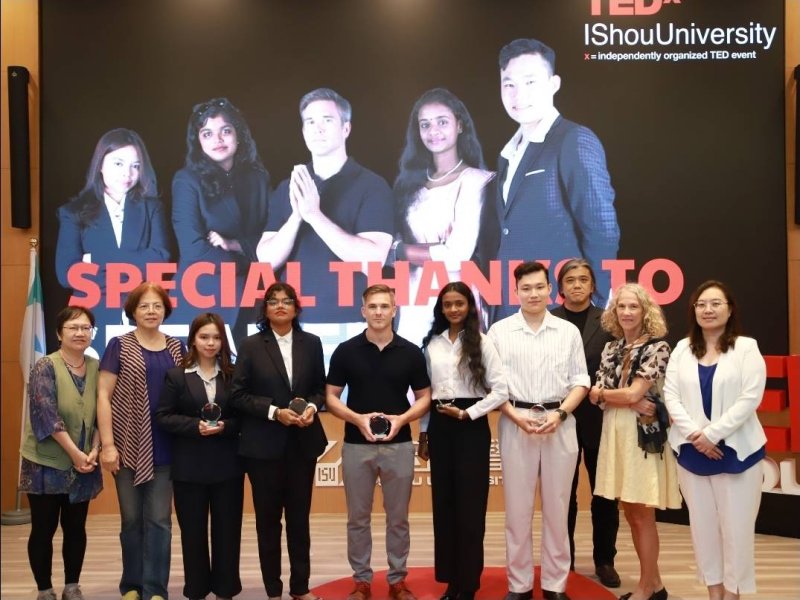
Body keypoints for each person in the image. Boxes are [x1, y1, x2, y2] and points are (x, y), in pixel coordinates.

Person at [487, 38, 619, 322]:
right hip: (510, 311)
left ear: (553, 84)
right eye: (509, 84)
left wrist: (592, 308)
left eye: (530, 82)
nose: (518, 94)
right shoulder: (508, 153)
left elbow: (603, 230)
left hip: (560, 312)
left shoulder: (574, 140)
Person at [487, 261, 590, 600]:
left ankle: (554, 585)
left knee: (558, 509)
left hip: (560, 422)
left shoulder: (567, 332)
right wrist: (515, 416)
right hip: (516, 422)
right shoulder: (500, 332)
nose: (533, 293)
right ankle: (518, 585)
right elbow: (492, 386)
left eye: (539, 287)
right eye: (526, 288)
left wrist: (560, 414)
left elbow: (581, 382)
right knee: (517, 511)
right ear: (516, 291)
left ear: (549, 289)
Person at [256, 88, 393, 339]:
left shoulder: (372, 185)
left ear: (346, 128)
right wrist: (297, 216)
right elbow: (266, 259)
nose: (317, 129)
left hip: (353, 325)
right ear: (303, 131)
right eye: (310, 122)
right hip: (293, 326)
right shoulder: (288, 187)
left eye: (327, 120)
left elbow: (373, 260)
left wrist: (315, 215)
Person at [325, 284, 432, 600]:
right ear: (363, 310)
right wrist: (357, 419)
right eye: (372, 306)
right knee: (357, 519)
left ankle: (397, 580)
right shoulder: (346, 350)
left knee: (398, 519)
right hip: (356, 446)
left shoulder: (410, 352)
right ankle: (362, 581)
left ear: (394, 310)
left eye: (385, 306)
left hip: (399, 446)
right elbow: (330, 397)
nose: (379, 312)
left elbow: (425, 397)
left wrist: (402, 419)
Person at [664, 281, 767, 600]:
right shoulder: (682, 349)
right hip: (691, 452)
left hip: (738, 452)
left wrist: (712, 434)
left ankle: (733, 595)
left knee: (737, 531)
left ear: (730, 309)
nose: (708, 310)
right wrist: (697, 436)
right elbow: (671, 395)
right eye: (701, 304)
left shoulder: (746, 348)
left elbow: (750, 398)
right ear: (694, 310)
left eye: (715, 303)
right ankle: (714, 593)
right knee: (703, 529)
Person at [230, 283, 327, 600]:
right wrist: (275, 412)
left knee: (299, 522)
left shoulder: (311, 343)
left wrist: (311, 408)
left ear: (296, 308)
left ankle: (300, 587)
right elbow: (238, 395)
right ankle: (273, 590)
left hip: (302, 444)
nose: (281, 306)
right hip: (263, 447)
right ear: (265, 309)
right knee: (268, 523)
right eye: (274, 301)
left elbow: (319, 389)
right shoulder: (250, 345)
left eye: (287, 301)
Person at [588, 283, 681, 600]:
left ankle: (645, 588)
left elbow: (630, 393)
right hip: (615, 431)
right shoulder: (611, 348)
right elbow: (596, 396)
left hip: (642, 436)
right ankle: (656, 585)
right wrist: (617, 397)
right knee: (630, 512)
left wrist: (612, 395)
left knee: (642, 515)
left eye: (633, 306)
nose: (627, 312)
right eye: (621, 307)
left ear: (645, 311)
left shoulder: (658, 347)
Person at [418, 282, 508, 600]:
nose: (453, 309)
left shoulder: (482, 342)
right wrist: (424, 432)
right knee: (444, 505)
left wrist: (469, 414)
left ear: (469, 306)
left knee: (470, 507)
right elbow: (426, 395)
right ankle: (451, 581)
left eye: (459, 303)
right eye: (448, 304)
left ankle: (468, 584)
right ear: (440, 308)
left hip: (471, 426)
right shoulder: (432, 343)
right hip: (440, 426)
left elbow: (501, 390)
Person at [97, 282, 186, 600]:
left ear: (166, 311)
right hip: (126, 446)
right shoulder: (119, 345)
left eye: (157, 306)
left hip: (166, 446)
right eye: (144, 306)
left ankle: (156, 589)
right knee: (132, 521)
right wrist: (108, 445)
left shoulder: (176, 347)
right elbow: (103, 395)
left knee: (160, 522)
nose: (151, 311)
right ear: (133, 311)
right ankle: (132, 586)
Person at [390, 88, 496, 343]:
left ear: (459, 125)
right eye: (425, 124)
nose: (433, 131)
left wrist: (402, 251)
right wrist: (433, 248)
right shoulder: (408, 185)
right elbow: (390, 243)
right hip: (413, 298)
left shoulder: (476, 181)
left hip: (456, 295)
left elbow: (457, 253)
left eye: (442, 122)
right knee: (412, 363)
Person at [55, 128, 170, 354]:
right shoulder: (73, 211)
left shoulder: (152, 207)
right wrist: (134, 267)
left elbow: (161, 258)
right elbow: (67, 273)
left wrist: (94, 263)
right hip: (92, 316)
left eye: (135, 166)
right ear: (100, 164)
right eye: (118, 163)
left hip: (140, 314)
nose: (127, 173)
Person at [155, 313, 244, 600]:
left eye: (216, 337)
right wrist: (195, 427)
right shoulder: (176, 375)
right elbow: (164, 417)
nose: (210, 343)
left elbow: (245, 418)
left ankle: (225, 590)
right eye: (204, 337)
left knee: (227, 533)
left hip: (228, 467)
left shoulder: (233, 375)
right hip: (189, 469)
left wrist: (225, 426)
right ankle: (196, 590)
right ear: (193, 339)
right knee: (192, 534)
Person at [19, 306, 103, 600]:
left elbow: (100, 414)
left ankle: (72, 586)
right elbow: (47, 417)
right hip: (46, 464)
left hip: (85, 462)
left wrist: (94, 450)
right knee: (44, 528)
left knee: (76, 527)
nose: (80, 333)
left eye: (85, 328)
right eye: (73, 327)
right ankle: (44, 589)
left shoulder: (96, 367)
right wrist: (76, 454)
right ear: (59, 333)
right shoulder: (45, 366)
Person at [172, 97, 270, 342]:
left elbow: (271, 235)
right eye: (207, 134)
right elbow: (193, 249)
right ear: (198, 141)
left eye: (225, 131)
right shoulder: (186, 181)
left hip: (252, 300)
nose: (217, 140)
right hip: (203, 298)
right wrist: (251, 259)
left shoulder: (258, 178)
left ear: (239, 135)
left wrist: (233, 244)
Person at [551, 259, 619, 587]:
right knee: (562, 495)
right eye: (570, 280)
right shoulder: (549, 321)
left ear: (592, 286)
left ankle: (605, 560)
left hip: (599, 417)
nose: (577, 285)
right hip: (558, 417)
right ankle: (564, 560)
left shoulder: (609, 322)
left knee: (604, 493)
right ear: (560, 287)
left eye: (583, 280)